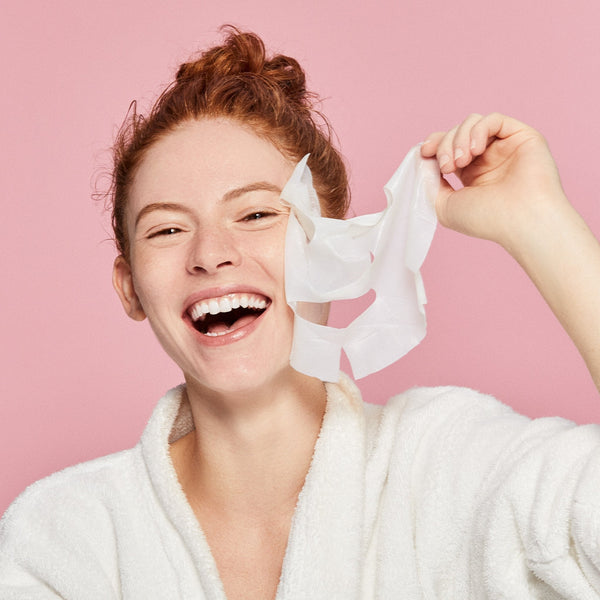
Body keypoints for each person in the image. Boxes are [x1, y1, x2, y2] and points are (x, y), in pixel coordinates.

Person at [1, 27, 599, 600]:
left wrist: (542, 225)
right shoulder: (61, 537)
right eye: (167, 228)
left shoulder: (450, 465)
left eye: (258, 215)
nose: (210, 255)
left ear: (334, 245)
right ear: (130, 288)